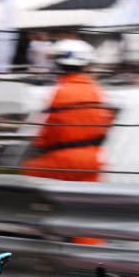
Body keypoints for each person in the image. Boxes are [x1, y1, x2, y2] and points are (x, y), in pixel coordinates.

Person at [21, 39, 116, 184]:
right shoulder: (99, 91)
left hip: (60, 161)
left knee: (22, 174)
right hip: (94, 160)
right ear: (87, 66)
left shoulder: (53, 93)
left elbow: (41, 133)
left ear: (58, 65)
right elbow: (106, 123)